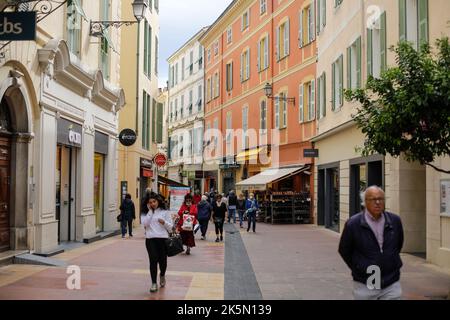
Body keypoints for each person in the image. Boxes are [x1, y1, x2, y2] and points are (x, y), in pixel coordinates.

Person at [338, 186, 404, 300]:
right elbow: (344, 250)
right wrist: (359, 267)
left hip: (391, 282)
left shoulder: (395, 221)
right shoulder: (353, 224)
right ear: (365, 202)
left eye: (380, 199)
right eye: (373, 199)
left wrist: (390, 260)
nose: (377, 202)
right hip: (366, 282)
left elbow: (398, 245)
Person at [141, 193, 174, 293]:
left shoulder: (165, 212)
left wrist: (164, 222)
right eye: (150, 202)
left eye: (154, 201)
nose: (153, 204)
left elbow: (171, 227)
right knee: (153, 260)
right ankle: (154, 283)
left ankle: (162, 274)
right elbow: (145, 224)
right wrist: (150, 211)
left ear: (158, 201)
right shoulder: (146, 212)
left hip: (163, 239)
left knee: (163, 262)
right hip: (150, 239)